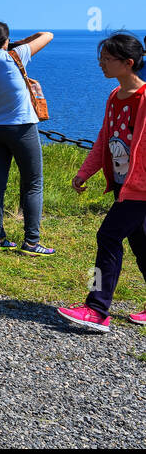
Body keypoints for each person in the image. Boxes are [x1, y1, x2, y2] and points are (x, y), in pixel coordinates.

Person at [59, 35, 146, 331]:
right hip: (124, 185)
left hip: (141, 188)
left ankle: (97, 309)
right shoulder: (114, 97)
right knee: (141, 243)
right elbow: (104, 139)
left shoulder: (145, 98)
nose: (101, 64)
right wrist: (86, 171)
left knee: (108, 236)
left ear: (127, 63)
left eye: (107, 59)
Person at [0, 21, 55, 254]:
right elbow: (47, 34)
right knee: (32, 184)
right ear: (6, 40)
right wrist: (17, 44)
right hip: (22, 128)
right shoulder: (15, 56)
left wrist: (6, 45)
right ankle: (31, 242)